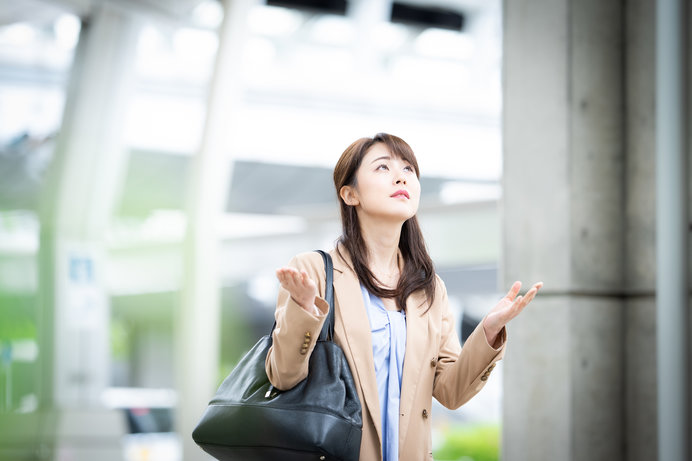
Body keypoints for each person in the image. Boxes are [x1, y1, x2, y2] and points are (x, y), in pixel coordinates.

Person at [265, 133, 542, 461]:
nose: (401, 176)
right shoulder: (315, 271)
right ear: (350, 193)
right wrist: (303, 309)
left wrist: (489, 331)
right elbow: (283, 376)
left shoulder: (429, 288)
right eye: (382, 168)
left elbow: (451, 392)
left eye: (409, 169)